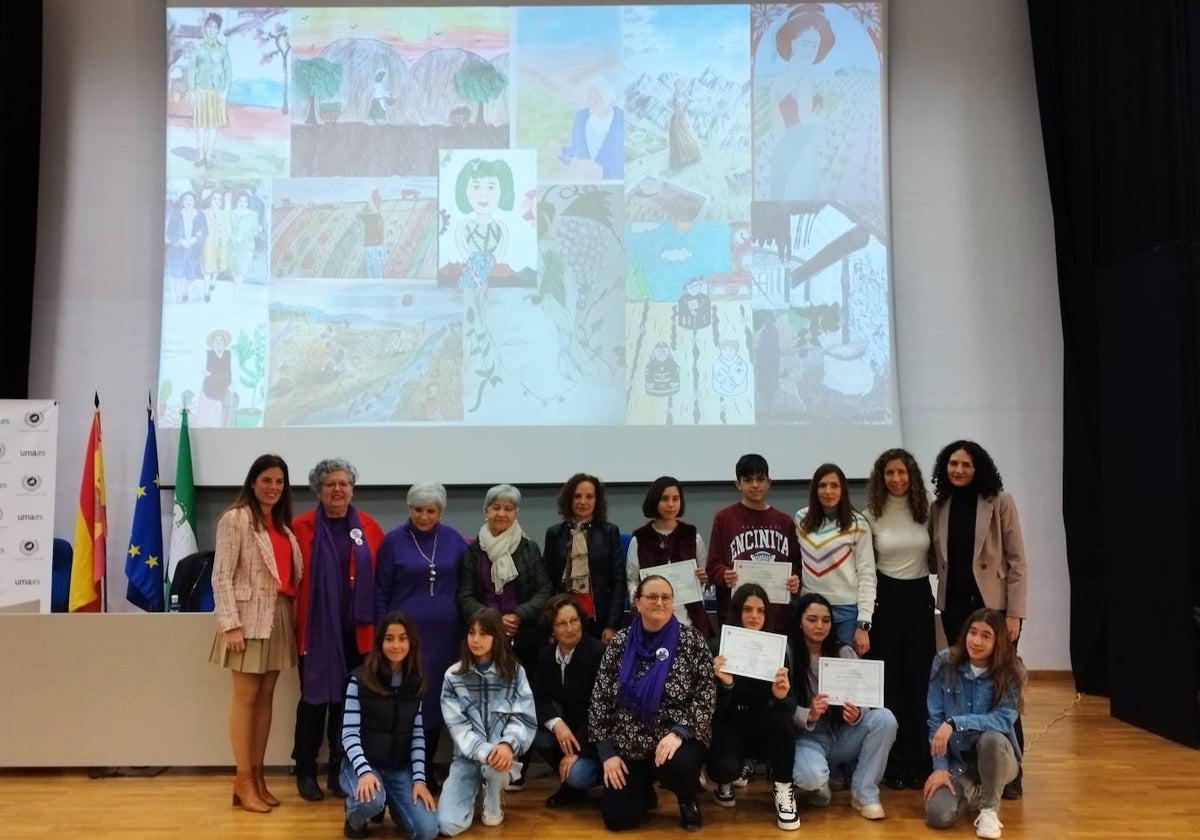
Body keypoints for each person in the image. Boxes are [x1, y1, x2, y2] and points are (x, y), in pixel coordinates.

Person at [929, 440, 1028, 798]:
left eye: (966, 465)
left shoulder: (1000, 503)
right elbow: (934, 558)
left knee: (1002, 686)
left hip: (996, 609)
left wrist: (1015, 613)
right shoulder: (939, 506)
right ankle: (967, 763)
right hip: (955, 607)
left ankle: (1010, 773)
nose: (958, 470)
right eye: (953, 464)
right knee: (961, 683)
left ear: (979, 468)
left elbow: (1017, 561)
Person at [208, 454, 303, 813]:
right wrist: (230, 624)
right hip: (245, 621)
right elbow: (221, 576)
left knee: (265, 700)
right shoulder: (236, 519)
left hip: (277, 617)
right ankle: (243, 779)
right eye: (267, 480)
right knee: (245, 700)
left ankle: (258, 779)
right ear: (252, 482)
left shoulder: (281, 527)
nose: (274, 487)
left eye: (279, 481)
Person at [588, 575, 716, 832]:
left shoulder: (692, 641)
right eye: (652, 596)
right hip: (629, 744)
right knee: (618, 819)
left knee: (676, 766)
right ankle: (643, 787)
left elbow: (706, 695)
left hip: (676, 740)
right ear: (637, 602)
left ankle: (686, 797)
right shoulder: (619, 643)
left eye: (666, 597)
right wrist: (608, 755)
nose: (659, 602)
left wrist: (680, 732)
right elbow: (599, 700)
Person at [291, 458, 384, 802]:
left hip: (356, 633)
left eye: (344, 483)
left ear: (352, 488)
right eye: (330, 483)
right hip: (316, 632)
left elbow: (379, 579)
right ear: (318, 489)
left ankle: (338, 770)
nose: (338, 489)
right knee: (314, 702)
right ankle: (304, 769)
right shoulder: (300, 527)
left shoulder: (370, 527)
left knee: (349, 705)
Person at [375, 482, 470, 791]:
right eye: (418, 510)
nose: (424, 516)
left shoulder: (455, 540)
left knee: (434, 701)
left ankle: (426, 770)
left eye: (431, 511)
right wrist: (381, 638)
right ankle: (401, 770)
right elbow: (381, 592)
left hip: (445, 638)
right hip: (403, 641)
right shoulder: (392, 542)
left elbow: (466, 588)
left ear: (440, 511)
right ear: (408, 509)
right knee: (406, 700)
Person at [863, 448, 936, 790]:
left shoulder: (927, 509)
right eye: (890, 473)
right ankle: (894, 766)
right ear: (881, 476)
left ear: (912, 476)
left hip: (919, 599)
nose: (896, 479)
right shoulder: (869, 515)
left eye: (902, 473)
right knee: (889, 683)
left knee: (919, 682)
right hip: (885, 601)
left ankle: (922, 762)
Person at [789, 593, 897, 821]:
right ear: (800, 621)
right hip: (807, 738)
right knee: (811, 778)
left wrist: (858, 714)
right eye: (812, 619)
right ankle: (820, 785)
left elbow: (865, 700)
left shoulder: (844, 652)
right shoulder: (788, 654)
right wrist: (808, 712)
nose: (819, 626)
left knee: (885, 719)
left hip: (842, 733)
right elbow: (778, 707)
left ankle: (864, 793)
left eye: (826, 620)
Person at [923, 609, 1025, 839]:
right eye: (973, 633)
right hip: (960, 762)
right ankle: (978, 790)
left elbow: (1003, 718)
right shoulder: (944, 662)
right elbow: (935, 720)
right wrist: (940, 769)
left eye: (986, 636)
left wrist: (956, 722)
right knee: (937, 815)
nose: (976, 641)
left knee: (991, 737)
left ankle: (989, 808)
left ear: (998, 641)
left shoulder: (1013, 670)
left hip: (999, 756)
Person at [339, 612, 439, 840]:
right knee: (371, 801)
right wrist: (363, 771)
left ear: (410, 642)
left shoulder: (416, 681)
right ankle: (354, 817)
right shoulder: (359, 679)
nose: (396, 645)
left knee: (428, 830)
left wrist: (419, 780)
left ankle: (394, 805)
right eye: (389, 638)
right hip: (361, 764)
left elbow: (417, 736)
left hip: (397, 767)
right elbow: (349, 734)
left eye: (402, 638)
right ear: (380, 642)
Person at [437, 609, 537, 834]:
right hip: (466, 759)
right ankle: (471, 791)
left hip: (503, 760)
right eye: (471, 633)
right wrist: (486, 753)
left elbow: (524, 717)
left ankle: (493, 797)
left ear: (496, 637)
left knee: (492, 810)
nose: (476, 640)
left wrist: (507, 745)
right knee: (447, 825)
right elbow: (459, 728)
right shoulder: (453, 677)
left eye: (484, 634)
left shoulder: (515, 673)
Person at [707, 584, 798, 830]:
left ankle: (783, 790)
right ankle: (726, 779)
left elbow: (791, 707)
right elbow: (710, 710)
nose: (754, 616)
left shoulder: (777, 649)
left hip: (762, 723)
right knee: (724, 767)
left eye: (760, 610)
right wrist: (725, 686)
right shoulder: (717, 648)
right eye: (747, 609)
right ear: (737, 611)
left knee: (782, 722)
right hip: (729, 723)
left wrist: (780, 695)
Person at [456, 484, 553, 675]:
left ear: (515, 513)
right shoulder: (473, 552)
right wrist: (493, 620)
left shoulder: (529, 548)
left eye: (508, 509)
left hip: (524, 632)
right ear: (486, 511)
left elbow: (545, 590)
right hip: (483, 633)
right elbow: (464, 596)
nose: (501, 513)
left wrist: (517, 615)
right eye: (496, 507)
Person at [706, 453, 801, 630]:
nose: (755, 485)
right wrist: (724, 574)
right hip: (736, 615)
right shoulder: (724, 518)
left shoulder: (785, 521)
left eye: (760, 479)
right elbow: (712, 567)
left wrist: (795, 579)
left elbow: (796, 565)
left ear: (769, 482)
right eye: (748, 480)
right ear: (738, 484)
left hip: (776, 615)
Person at [531, 594, 605, 808]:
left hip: (596, 736)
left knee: (577, 775)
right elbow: (537, 697)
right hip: (568, 728)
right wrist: (556, 723)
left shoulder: (598, 653)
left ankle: (581, 780)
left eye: (574, 620)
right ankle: (570, 784)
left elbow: (600, 709)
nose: (570, 628)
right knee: (535, 734)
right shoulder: (546, 656)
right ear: (552, 629)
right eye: (562, 623)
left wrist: (578, 750)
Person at [795, 463, 876, 652]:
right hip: (810, 610)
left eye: (834, 485)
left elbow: (867, 575)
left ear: (843, 489)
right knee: (810, 671)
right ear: (815, 489)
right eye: (822, 485)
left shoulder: (858, 523)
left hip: (846, 613)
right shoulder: (801, 519)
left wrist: (863, 623)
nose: (828, 491)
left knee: (843, 675)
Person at [543, 473, 625, 643]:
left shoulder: (610, 532)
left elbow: (619, 581)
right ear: (569, 499)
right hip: (565, 619)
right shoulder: (554, 534)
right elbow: (548, 583)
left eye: (589, 496)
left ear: (597, 500)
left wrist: (612, 625)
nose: (583, 502)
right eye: (577, 496)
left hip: (599, 619)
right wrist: (551, 624)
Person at [626, 475, 711, 638]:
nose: (670, 504)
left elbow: (704, 580)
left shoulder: (693, 537)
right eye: (664, 499)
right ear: (655, 501)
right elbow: (632, 581)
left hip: (688, 620)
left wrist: (702, 578)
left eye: (675, 499)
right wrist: (640, 595)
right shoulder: (639, 539)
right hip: (650, 622)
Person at [766, 5, 834, 199]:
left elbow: (775, 126)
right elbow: (806, 119)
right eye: (806, 43)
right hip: (802, 147)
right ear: (793, 44)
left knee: (780, 193)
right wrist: (823, 117)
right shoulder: (805, 80)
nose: (811, 50)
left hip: (783, 148)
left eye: (815, 45)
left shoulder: (777, 82)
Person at [454, 158, 513, 289]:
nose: (483, 194)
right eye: (476, 187)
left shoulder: (501, 227)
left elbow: (500, 256)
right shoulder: (464, 226)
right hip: (470, 274)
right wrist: (469, 261)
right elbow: (462, 250)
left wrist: (492, 264)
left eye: (491, 187)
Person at [188, 12, 232, 168]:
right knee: (200, 124)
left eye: (215, 27)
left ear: (218, 29)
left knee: (212, 125)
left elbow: (228, 71)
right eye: (209, 26)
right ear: (205, 28)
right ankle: (200, 155)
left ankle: (208, 156)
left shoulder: (222, 49)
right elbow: (192, 69)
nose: (211, 29)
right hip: (201, 91)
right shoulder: (198, 47)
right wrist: (192, 91)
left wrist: (224, 92)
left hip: (216, 93)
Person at [561, 76, 624, 180]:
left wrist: (603, 173)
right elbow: (578, 150)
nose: (590, 103)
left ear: (611, 102)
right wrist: (563, 152)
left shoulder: (622, 121)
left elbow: (629, 169)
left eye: (596, 100)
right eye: (589, 98)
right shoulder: (581, 117)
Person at [165, 190, 207, 304]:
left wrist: (195, 239)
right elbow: (170, 233)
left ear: (194, 202)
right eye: (186, 200)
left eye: (191, 200)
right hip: (178, 250)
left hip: (193, 251)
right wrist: (180, 241)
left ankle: (185, 292)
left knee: (189, 275)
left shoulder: (200, 214)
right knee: (178, 275)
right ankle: (178, 300)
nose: (189, 202)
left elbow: (205, 232)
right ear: (182, 202)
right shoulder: (176, 214)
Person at [668, 77, 702, 170]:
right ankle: (679, 161)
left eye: (680, 86)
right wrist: (677, 110)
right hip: (676, 118)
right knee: (677, 139)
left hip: (683, 117)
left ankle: (692, 157)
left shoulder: (685, 96)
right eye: (677, 86)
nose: (679, 88)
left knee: (687, 136)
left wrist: (684, 111)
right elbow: (672, 105)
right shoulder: (674, 96)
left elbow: (688, 104)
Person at [201, 191, 229, 302]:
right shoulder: (204, 213)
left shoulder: (224, 213)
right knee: (207, 268)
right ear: (211, 200)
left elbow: (227, 228)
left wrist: (224, 239)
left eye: (219, 199)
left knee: (218, 265)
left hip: (221, 244)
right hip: (208, 243)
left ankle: (214, 280)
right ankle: (206, 291)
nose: (217, 201)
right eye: (215, 199)